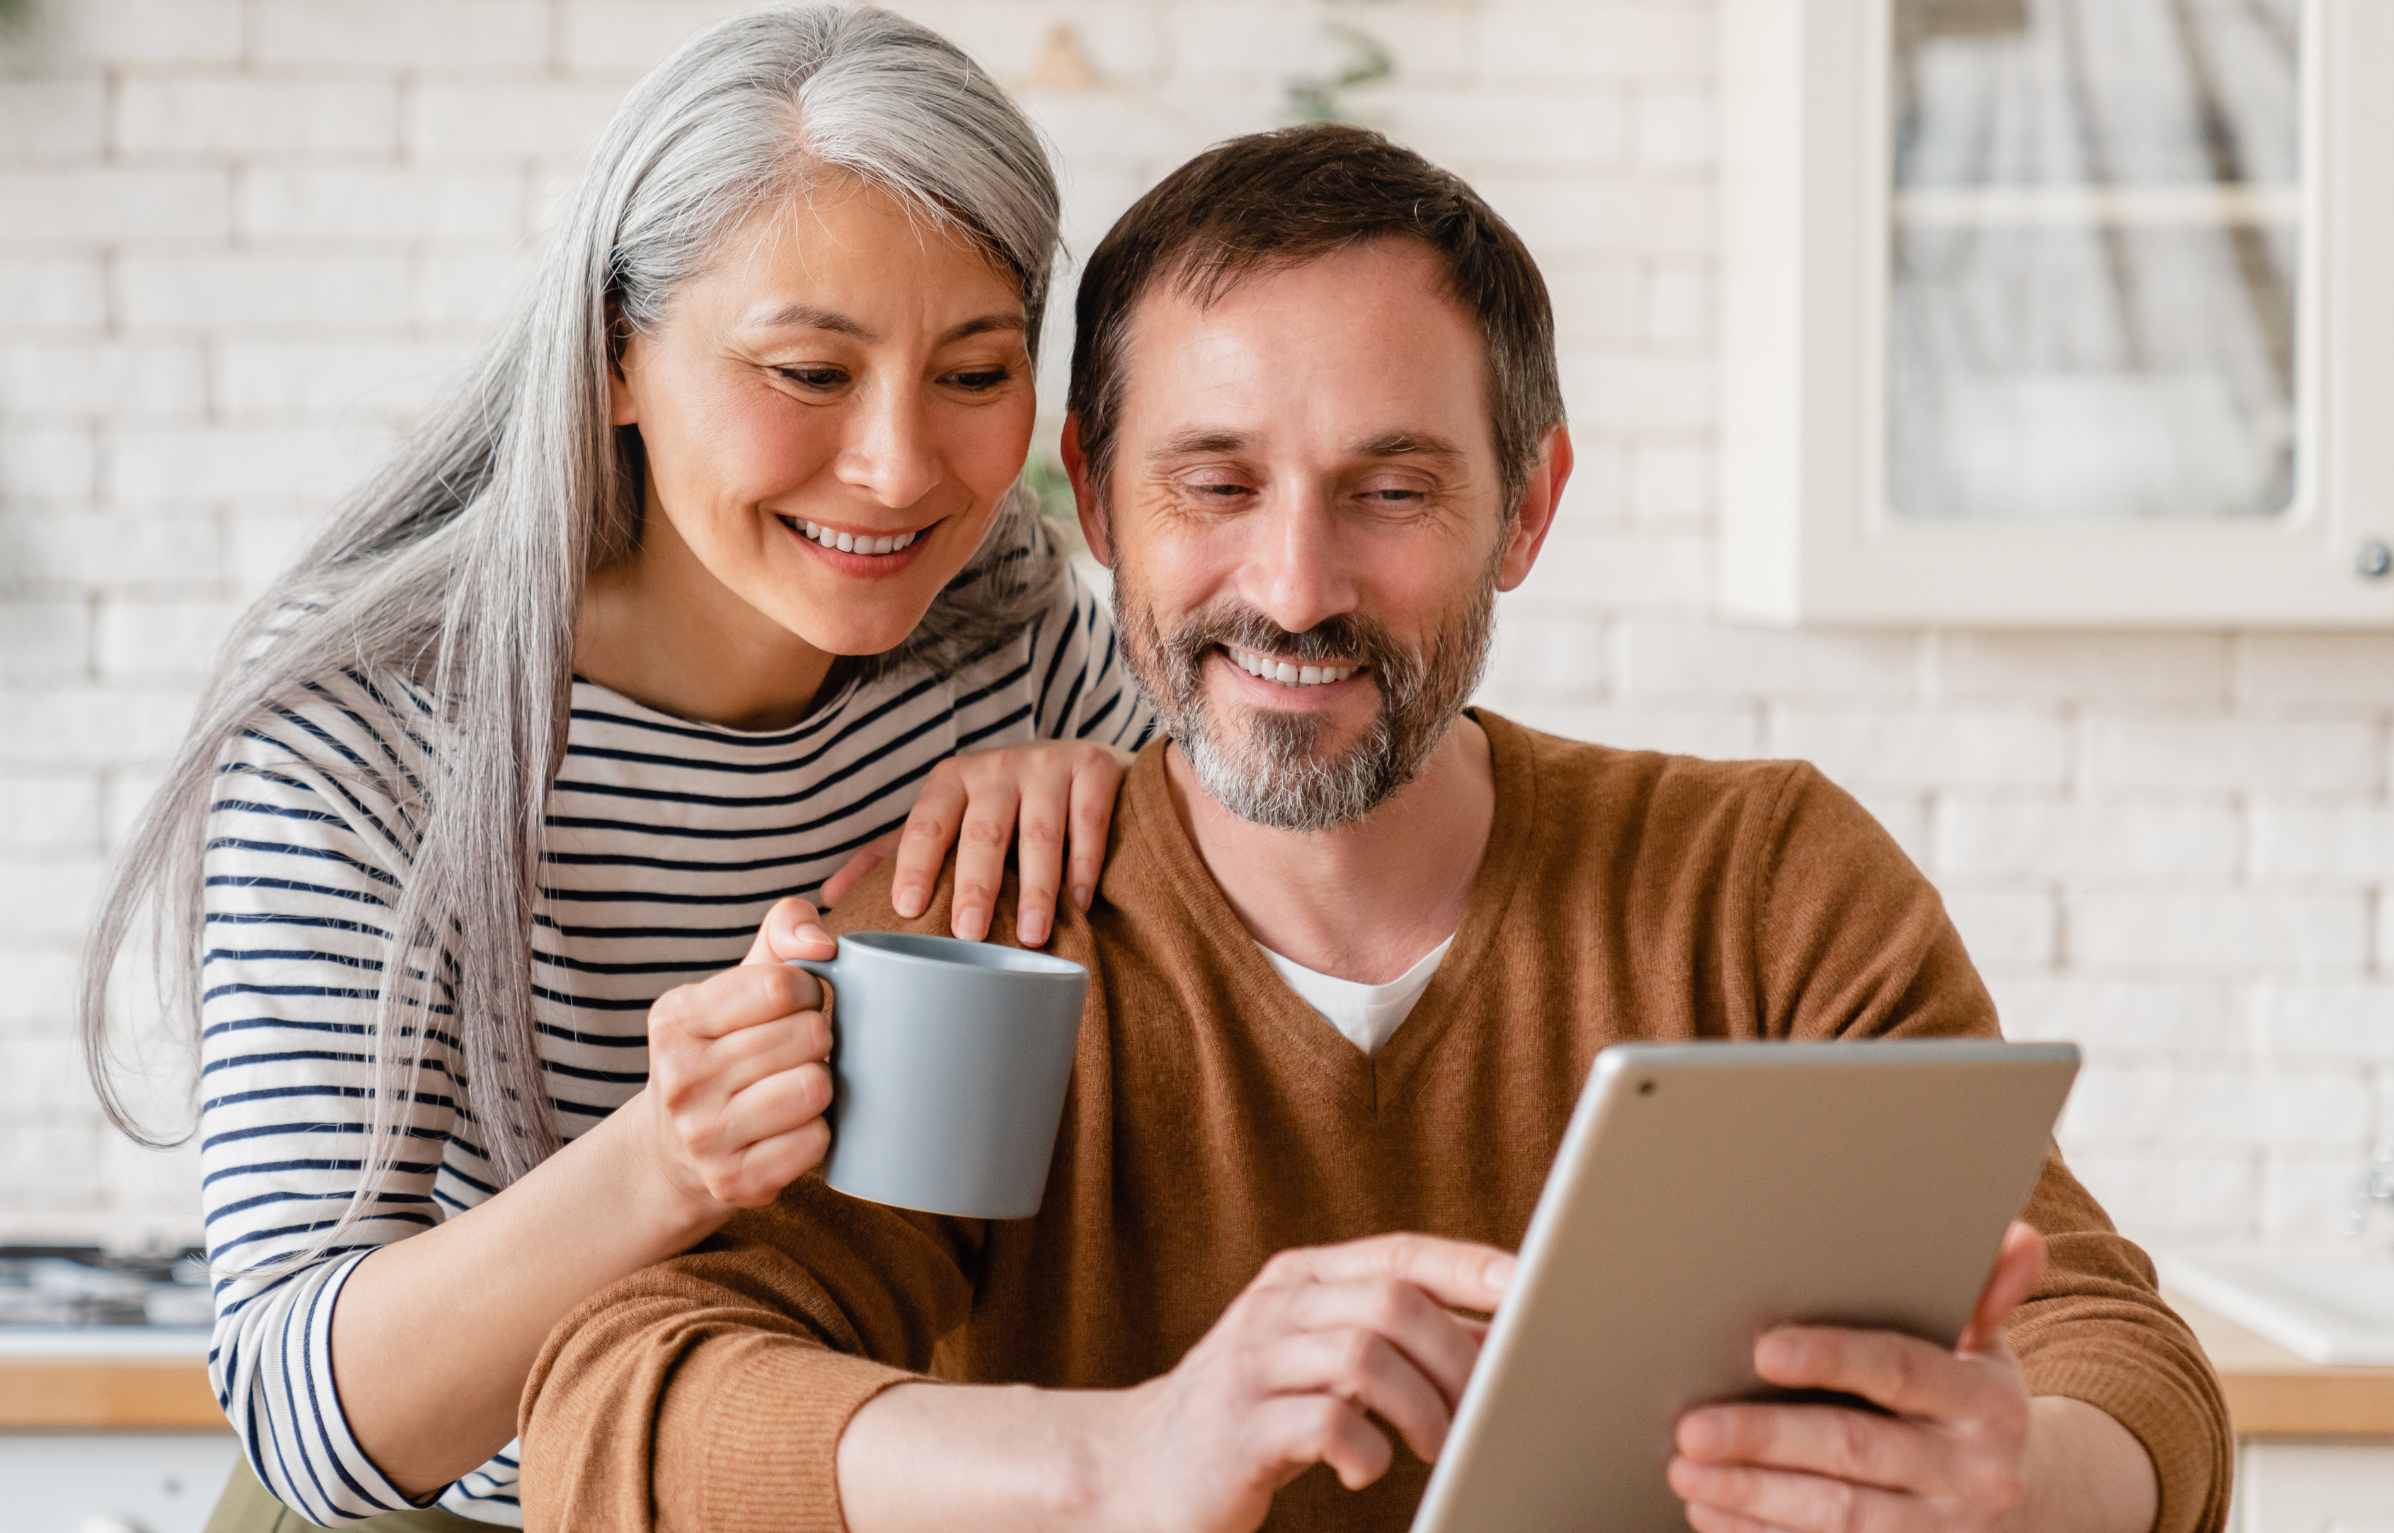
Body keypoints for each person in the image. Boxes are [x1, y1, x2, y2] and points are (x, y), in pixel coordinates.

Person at [517, 125, 2232, 1533]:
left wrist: (2017, 1481)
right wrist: (1127, 1453)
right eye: (1214, 484)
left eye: (1390, 491)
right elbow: (619, 1410)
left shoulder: (1760, 888)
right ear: (1096, 497)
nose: (1293, 587)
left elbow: (2118, 1356)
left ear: (1527, 508)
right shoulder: (981, 913)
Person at [76, 8, 1153, 1528]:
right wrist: (669, 1156)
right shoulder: (373, 726)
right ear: (614, 360)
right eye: (805, 370)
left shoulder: (1012, 635)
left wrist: (1127, 806)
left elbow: (1240, 986)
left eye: (974, 373)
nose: (901, 467)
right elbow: (307, 1423)